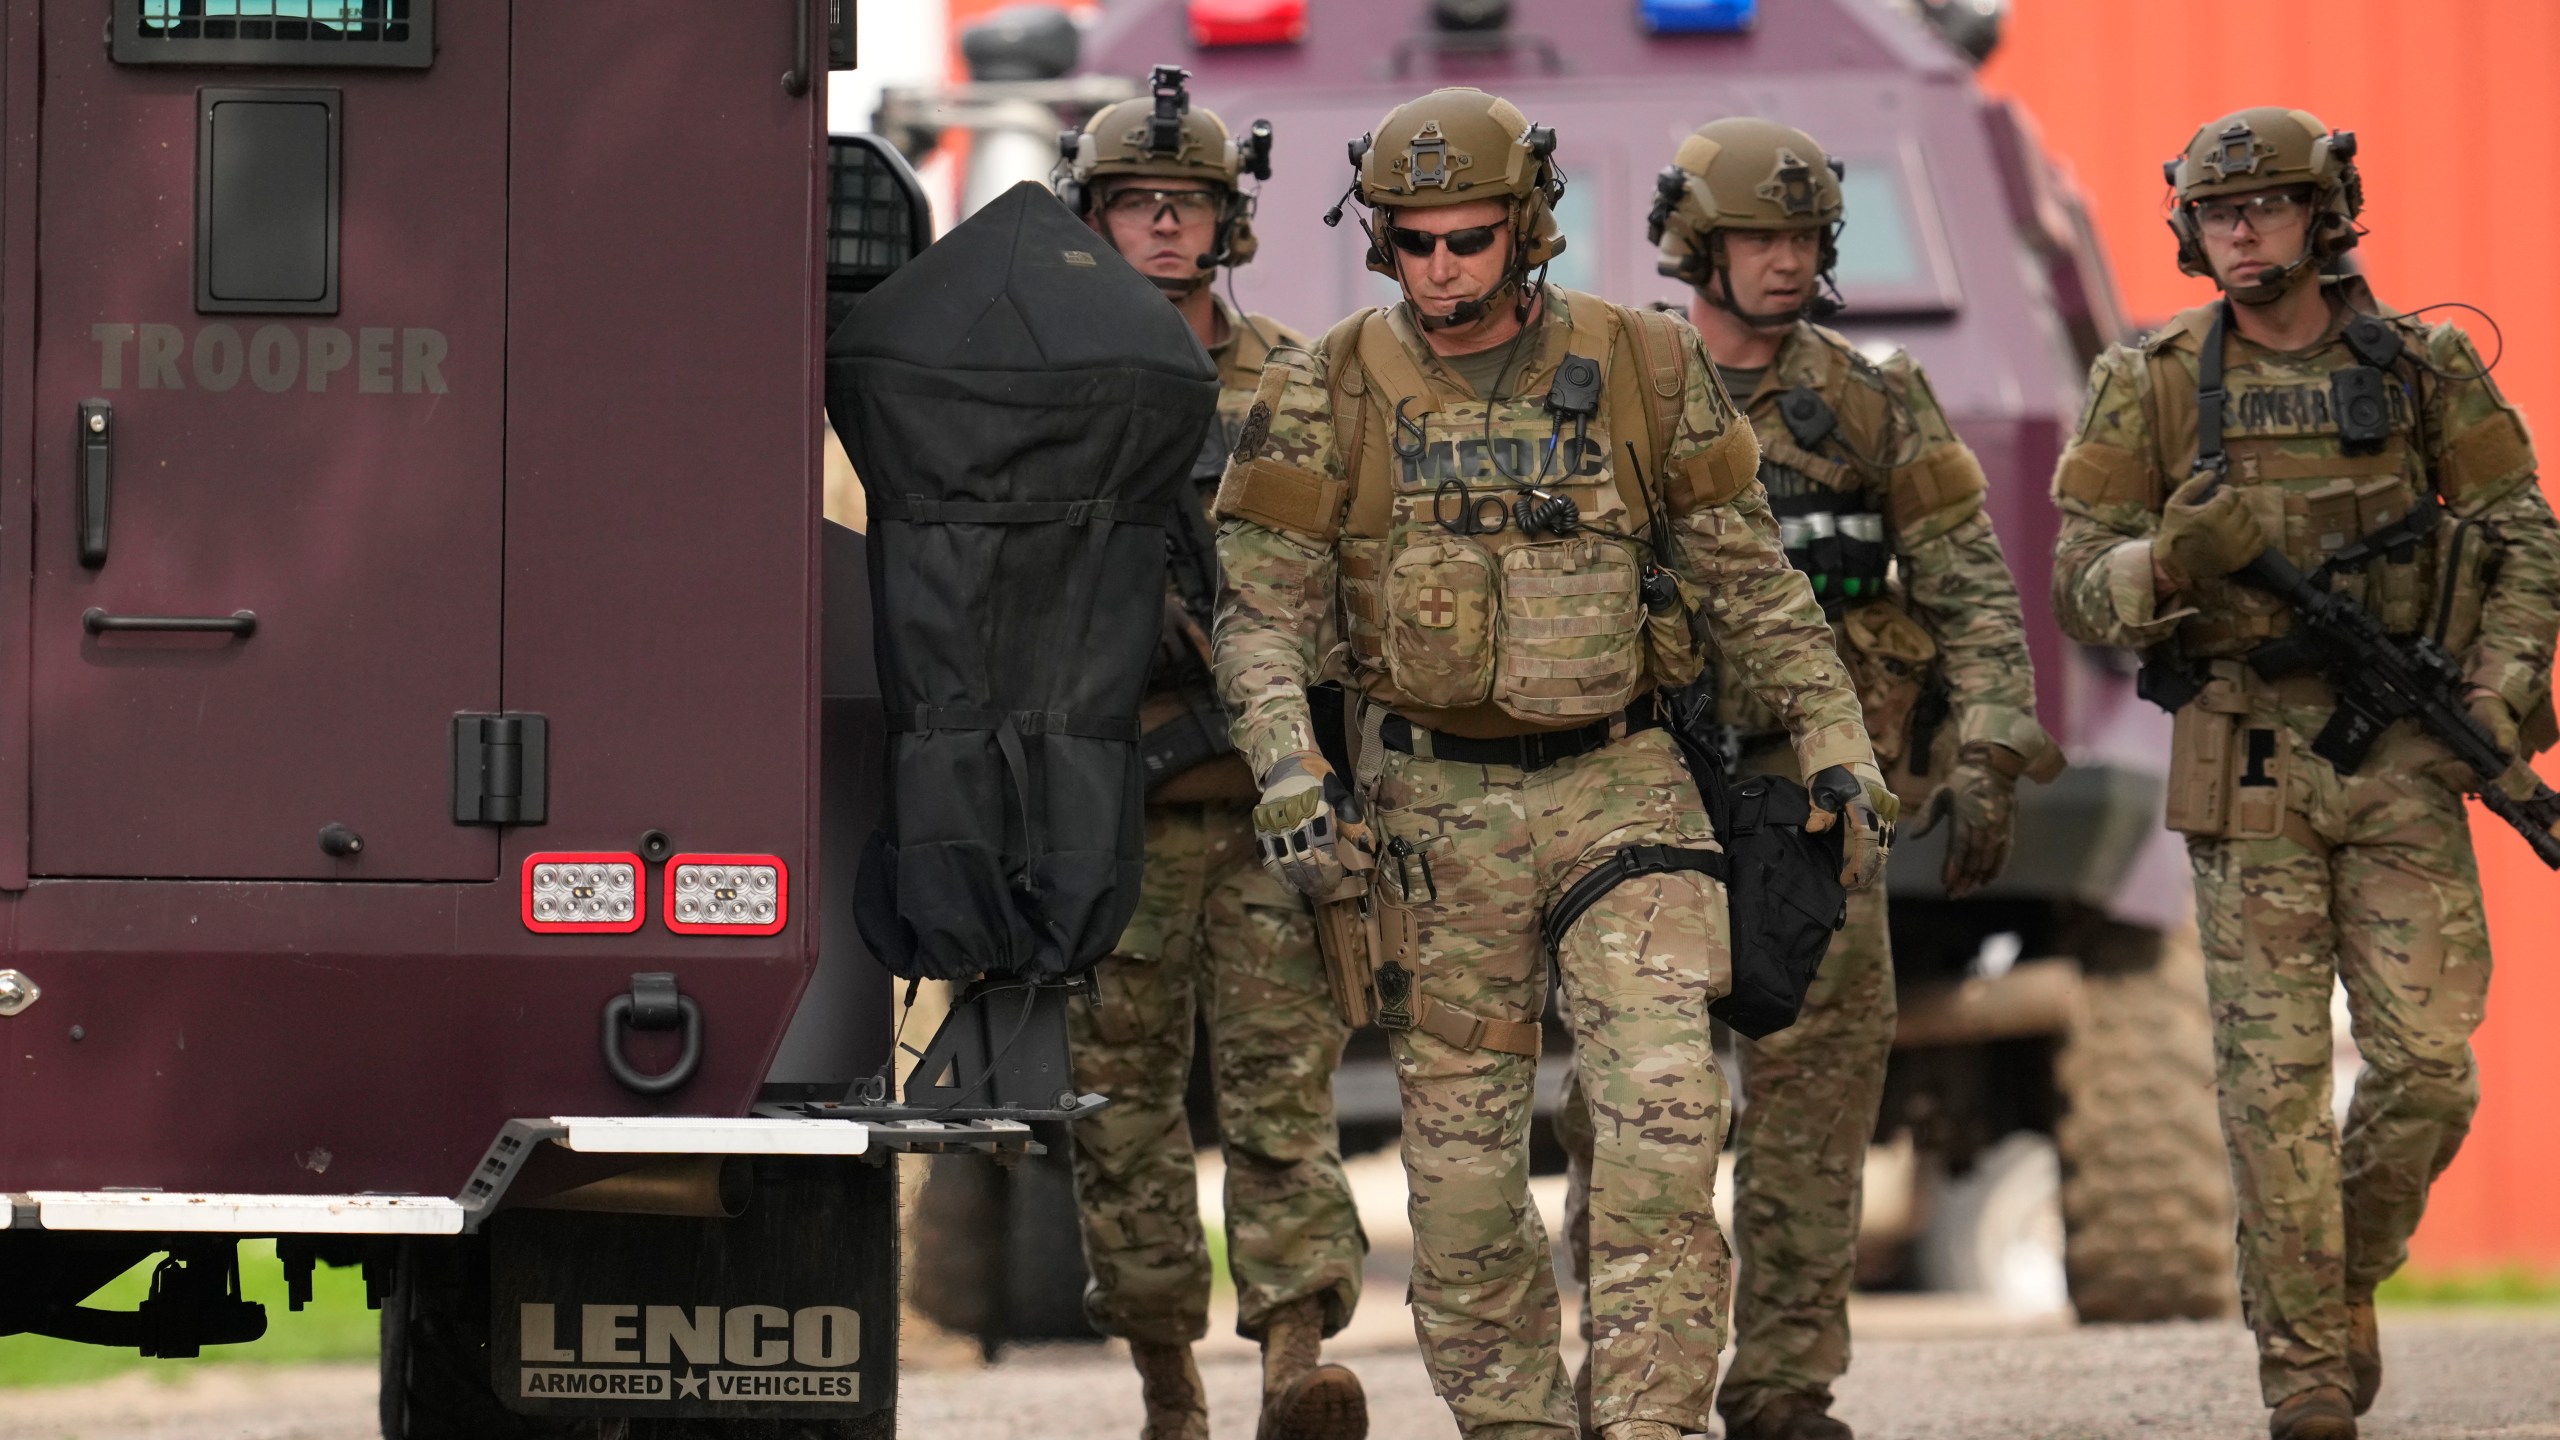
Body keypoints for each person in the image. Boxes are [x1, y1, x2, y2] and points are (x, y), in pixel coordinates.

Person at [1211, 87, 1892, 1440]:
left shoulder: (1644, 364)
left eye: (1468, 239)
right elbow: (1261, 616)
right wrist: (1290, 768)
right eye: (1414, 243)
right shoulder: (1325, 387)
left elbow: (1752, 581)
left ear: (1526, 227)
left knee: (1665, 1115)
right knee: (1463, 1191)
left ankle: (1645, 1423)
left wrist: (1836, 742)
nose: (1441, 269)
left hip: (1622, 785)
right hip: (1426, 813)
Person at [2049, 106, 2560, 1440]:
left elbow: (2523, 535)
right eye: (2219, 213)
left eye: (2267, 206)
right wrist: (2169, 561)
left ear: (2324, 214)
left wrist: (2498, 691)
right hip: (2246, 760)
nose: (2242, 232)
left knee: (2430, 1074)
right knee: (2269, 1093)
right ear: (2190, 228)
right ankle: (2308, 1375)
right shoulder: (2151, 382)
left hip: (2404, 753)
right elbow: (2077, 588)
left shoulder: (2423, 369)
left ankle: (2336, 1280)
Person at [1548, 116, 2063, 1440]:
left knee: (1814, 1104)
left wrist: (1992, 750)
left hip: (1821, 800)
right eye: (1759, 238)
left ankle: (1783, 1385)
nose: (1787, 261)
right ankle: (1630, 1372)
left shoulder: (1876, 400)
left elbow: (1968, 584)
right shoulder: (1618, 390)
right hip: (1647, 792)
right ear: (1696, 246)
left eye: (1806, 238)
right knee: (1633, 1105)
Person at [1053, 69, 1368, 1440]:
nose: (1167, 226)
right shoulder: (1049, 385)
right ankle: (1168, 1391)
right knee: (1120, 1117)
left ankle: (1295, 1367)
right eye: (1138, 203)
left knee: (1282, 1100)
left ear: (1229, 222)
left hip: (1267, 813)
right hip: (1109, 815)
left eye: (1188, 203)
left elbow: (1363, 569)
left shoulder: (1298, 381)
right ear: (1094, 219)